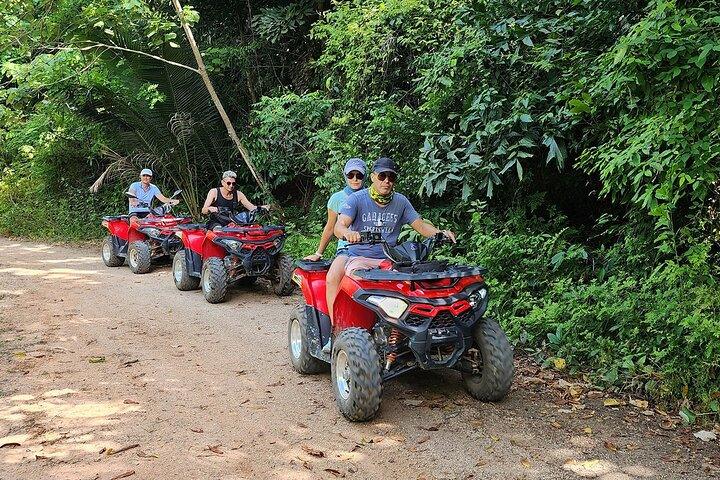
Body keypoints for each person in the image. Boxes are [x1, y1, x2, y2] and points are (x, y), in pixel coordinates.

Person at [331, 157, 456, 322]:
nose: (386, 181)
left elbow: (421, 226)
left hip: (390, 259)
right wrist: (348, 233)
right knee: (339, 279)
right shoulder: (356, 199)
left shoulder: (401, 201)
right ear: (373, 177)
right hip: (358, 257)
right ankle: (336, 326)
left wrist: (441, 233)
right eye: (382, 176)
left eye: (391, 177)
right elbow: (338, 226)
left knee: (411, 290)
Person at [304, 158, 366, 262]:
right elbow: (330, 227)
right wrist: (318, 253)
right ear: (345, 176)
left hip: (369, 248)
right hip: (346, 249)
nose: (355, 179)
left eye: (359, 176)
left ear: (365, 177)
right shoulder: (337, 198)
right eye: (350, 175)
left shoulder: (372, 197)